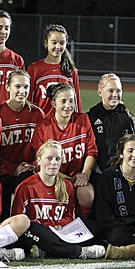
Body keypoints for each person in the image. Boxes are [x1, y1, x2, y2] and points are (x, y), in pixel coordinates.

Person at [12, 140, 105, 259]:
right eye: (49, 158)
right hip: (38, 232)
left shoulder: (67, 186)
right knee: (36, 229)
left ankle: (46, 251)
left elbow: (68, 216)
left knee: (92, 226)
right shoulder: (25, 187)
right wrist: (47, 227)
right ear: (39, 160)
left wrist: (61, 225)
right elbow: (18, 220)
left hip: (60, 232)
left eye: (57, 159)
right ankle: (79, 252)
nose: (54, 163)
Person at [29, 84, 98, 221]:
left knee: (87, 193)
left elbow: (92, 150)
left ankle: (83, 226)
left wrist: (85, 174)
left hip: (78, 177)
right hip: (52, 177)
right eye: (63, 101)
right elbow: (40, 161)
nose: (68, 105)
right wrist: (67, 179)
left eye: (71, 101)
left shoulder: (82, 120)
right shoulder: (44, 126)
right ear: (54, 103)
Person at [0, 69, 45, 221]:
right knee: (1, 206)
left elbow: (41, 148)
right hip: (1, 171)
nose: (22, 91)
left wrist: (33, 165)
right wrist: (11, 169)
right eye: (18, 86)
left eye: (26, 87)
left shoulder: (37, 114)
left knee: (29, 188)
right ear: (7, 87)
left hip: (27, 170)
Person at [95, 134, 135, 246]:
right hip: (118, 229)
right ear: (121, 153)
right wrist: (129, 230)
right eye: (130, 151)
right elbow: (103, 214)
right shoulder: (108, 176)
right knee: (116, 237)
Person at [87, 73, 135, 184]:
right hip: (98, 174)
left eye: (118, 91)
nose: (115, 94)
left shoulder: (128, 117)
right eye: (110, 90)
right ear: (100, 92)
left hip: (123, 174)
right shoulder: (91, 117)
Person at [27, 24, 82, 116]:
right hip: (42, 125)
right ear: (46, 43)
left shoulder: (71, 70)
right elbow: (29, 101)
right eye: (54, 42)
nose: (58, 46)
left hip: (64, 126)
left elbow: (76, 103)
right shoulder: (34, 69)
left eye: (62, 43)